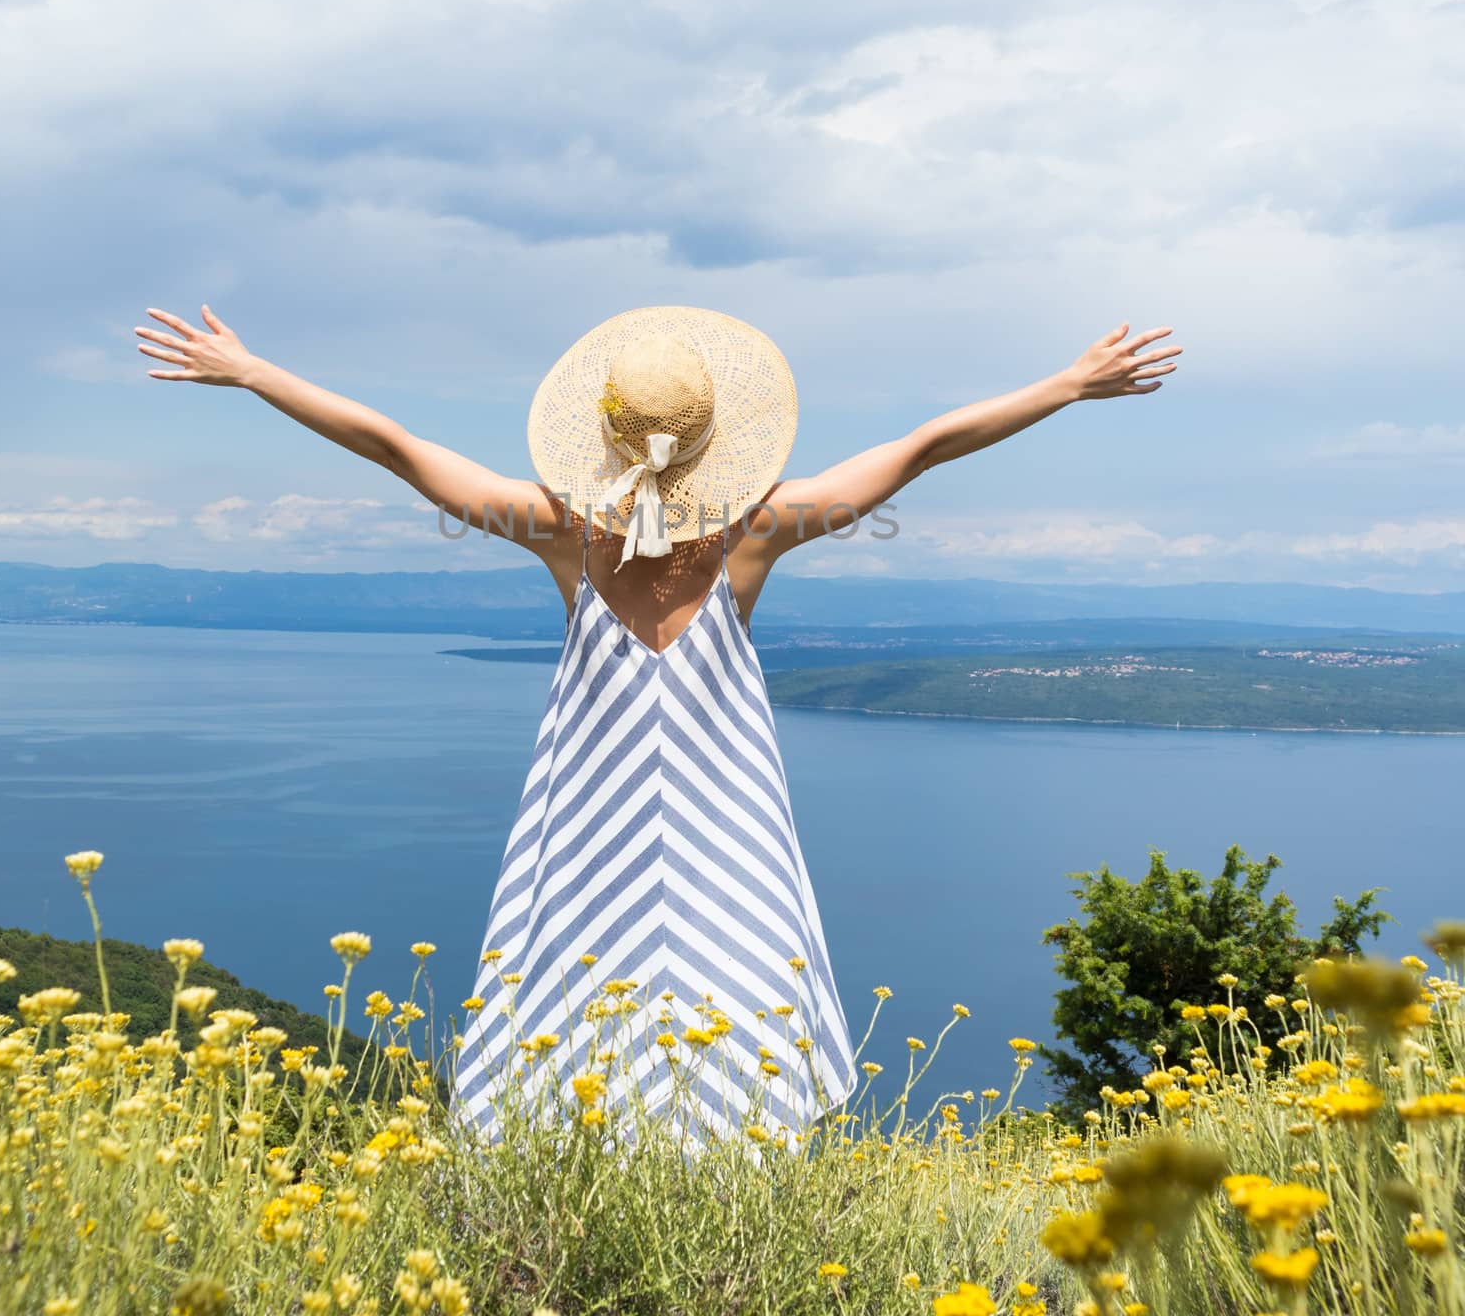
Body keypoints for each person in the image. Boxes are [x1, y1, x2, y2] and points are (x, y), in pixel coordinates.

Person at [134, 301, 1180, 1146]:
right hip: (733, 848)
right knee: (741, 1042)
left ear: (602, 439)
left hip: (586, 845)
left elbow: (397, 447)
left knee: (570, 1035)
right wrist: (1069, 385)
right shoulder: (757, 534)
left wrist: (255, 371)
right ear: (720, 442)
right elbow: (922, 448)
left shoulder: (559, 534)